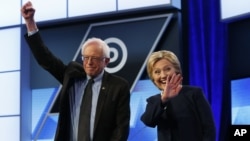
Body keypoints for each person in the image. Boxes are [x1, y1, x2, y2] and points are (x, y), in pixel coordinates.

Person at [21, 1, 130, 141]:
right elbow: (45, 58)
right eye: (86, 57)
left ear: (106, 61)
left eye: (95, 58)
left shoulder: (118, 86)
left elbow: (121, 129)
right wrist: (30, 22)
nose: (89, 62)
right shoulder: (72, 75)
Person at [140, 50, 216, 141]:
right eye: (157, 72)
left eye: (167, 69)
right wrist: (164, 100)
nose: (163, 75)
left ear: (176, 70)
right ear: (152, 77)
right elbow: (148, 121)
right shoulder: (154, 100)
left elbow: (209, 129)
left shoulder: (194, 93)